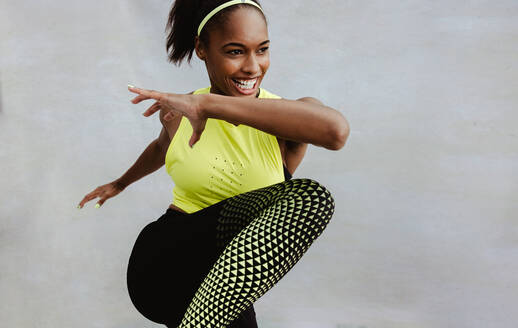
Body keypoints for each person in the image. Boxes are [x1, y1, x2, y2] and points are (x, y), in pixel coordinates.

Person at [78, 0, 350, 327]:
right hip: (165, 263)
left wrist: (206, 104)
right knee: (310, 198)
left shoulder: (292, 117)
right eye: (235, 52)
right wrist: (119, 183)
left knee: (310, 199)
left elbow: (335, 132)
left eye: (262, 50)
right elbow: (160, 149)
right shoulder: (178, 112)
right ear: (202, 49)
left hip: (226, 282)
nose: (252, 67)